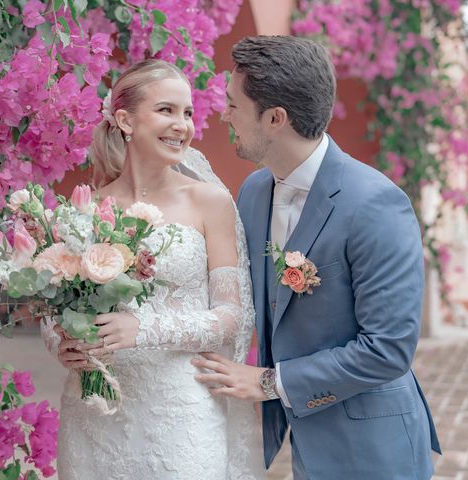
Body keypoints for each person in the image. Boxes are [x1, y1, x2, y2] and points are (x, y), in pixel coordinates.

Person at [192, 36, 441, 479]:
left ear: (274, 118)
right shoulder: (252, 193)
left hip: (372, 447)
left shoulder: (377, 205)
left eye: (233, 104)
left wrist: (269, 382)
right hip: (300, 441)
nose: (224, 114)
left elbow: (388, 348)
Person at [41, 59, 264, 479]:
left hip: (180, 413)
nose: (182, 125)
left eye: (188, 113)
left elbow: (232, 317)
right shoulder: (85, 209)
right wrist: (62, 343)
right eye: (167, 110)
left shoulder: (209, 203)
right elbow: (57, 307)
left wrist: (142, 331)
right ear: (124, 119)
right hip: (96, 411)